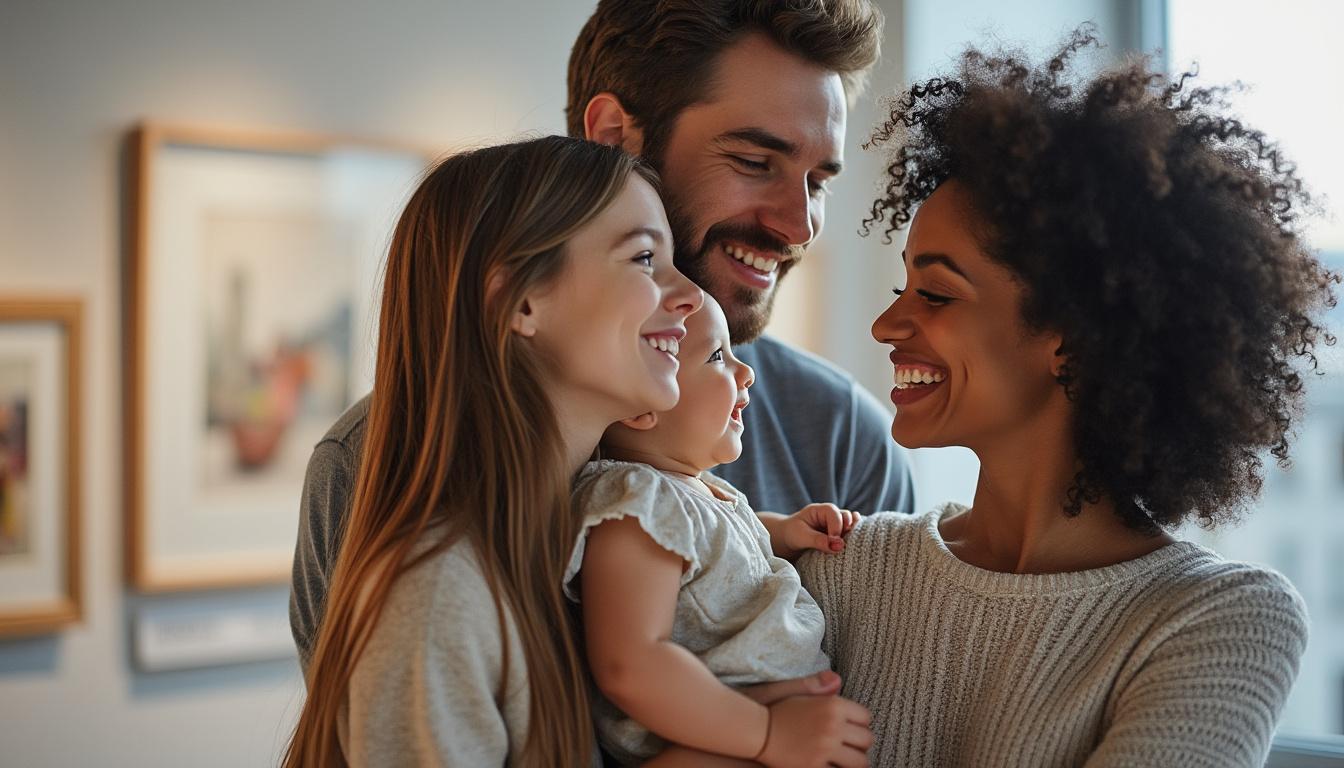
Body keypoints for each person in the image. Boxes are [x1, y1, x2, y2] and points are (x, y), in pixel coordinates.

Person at [290, 0, 915, 670]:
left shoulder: (841, 437)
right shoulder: (381, 462)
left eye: (817, 182)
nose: (800, 227)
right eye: (755, 161)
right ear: (614, 135)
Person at [795, 28, 1337, 766]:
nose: (887, 323)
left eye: (935, 292)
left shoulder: (1217, 619)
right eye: (901, 288)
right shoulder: (840, 567)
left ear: (1074, 336)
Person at [282, 136, 704, 767]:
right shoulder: (434, 595)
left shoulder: (584, 545)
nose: (689, 294)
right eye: (645, 258)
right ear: (522, 301)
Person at [567, 295, 870, 767]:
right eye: (716, 356)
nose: (745, 371)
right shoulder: (636, 502)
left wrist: (783, 533)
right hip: (707, 738)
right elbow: (630, 664)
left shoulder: (696, 492)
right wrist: (767, 735)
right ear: (639, 406)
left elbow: (717, 557)